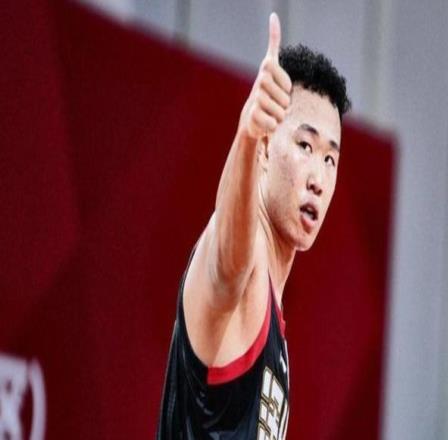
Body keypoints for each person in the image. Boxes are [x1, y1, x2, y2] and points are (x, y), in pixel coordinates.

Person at [157, 12, 351, 439]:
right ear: (266, 146)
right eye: (305, 145)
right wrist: (246, 134)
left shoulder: (275, 325)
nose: (318, 178)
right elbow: (230, 258)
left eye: (329, 158)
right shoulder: (241, 271)